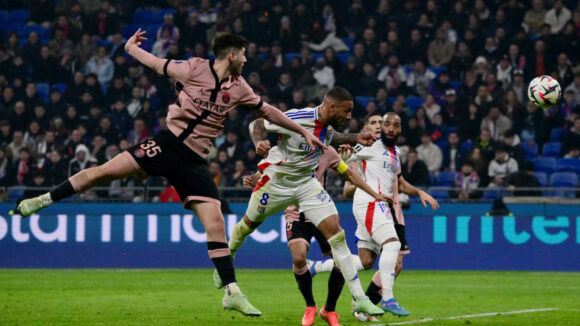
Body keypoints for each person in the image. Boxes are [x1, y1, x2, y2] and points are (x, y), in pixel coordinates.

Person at [13, 31, 328, 317]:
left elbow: (269, 111)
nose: (246, 60)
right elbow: (155, 62)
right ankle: (42, 199)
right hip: (165, 145)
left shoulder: (240, 87)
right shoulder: (192, 68)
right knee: (103, 172)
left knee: (215, 220)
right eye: (243, 54)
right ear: (231, 55)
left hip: (194, 162)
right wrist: (128, 48)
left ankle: (232, 292)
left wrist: (303, 131)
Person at [216, 87, 388, 318]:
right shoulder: (298, 117)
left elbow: (328, 136)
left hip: (307, 186)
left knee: (337, 235)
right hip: (277, 184)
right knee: (247, 225)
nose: (349, 117)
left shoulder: (327, 126)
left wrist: (355, 137)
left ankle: (359, 299)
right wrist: (259, 142)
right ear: (331, 107)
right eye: (346, 111)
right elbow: (258, 123)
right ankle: (226, 261)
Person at [308, 113, 439, 320]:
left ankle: (316, 266)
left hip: (379, 205)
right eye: (385, 124)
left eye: (394, 125)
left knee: (366, 260)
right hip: (371, 202)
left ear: (400, 130)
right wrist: (343, 156)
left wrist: (420, 192)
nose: (388, 128)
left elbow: (400, 182)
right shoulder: (371, 145)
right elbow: (344, 157)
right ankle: (387, 298)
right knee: (392, 245)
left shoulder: (394, 152)